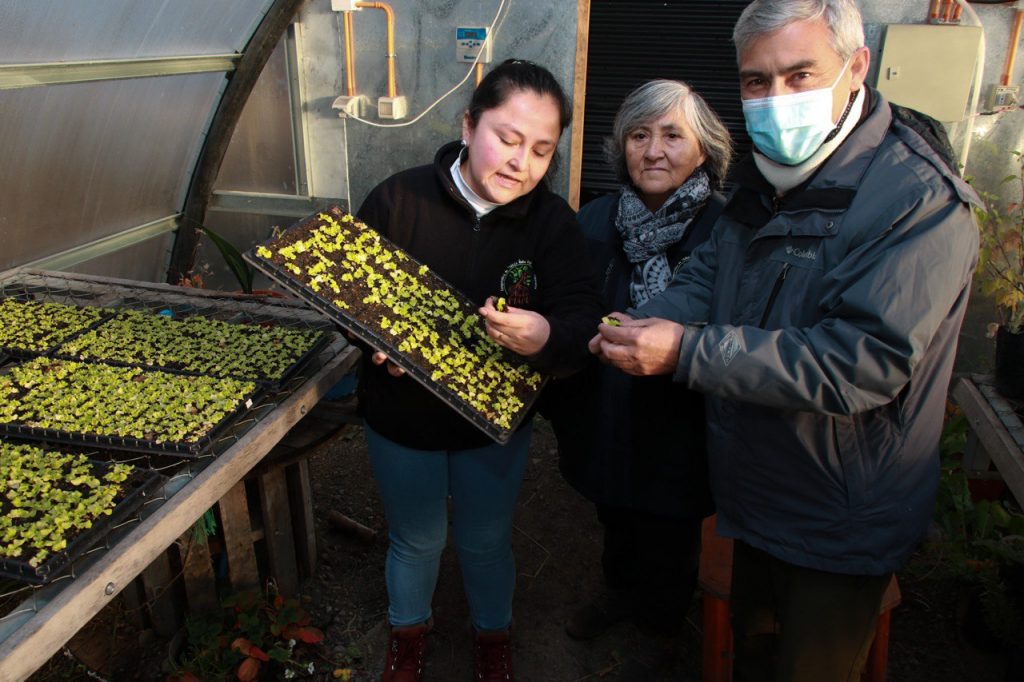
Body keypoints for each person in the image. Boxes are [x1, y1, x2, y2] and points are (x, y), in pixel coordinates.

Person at [589, 1, 981, 680]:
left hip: (837, 513)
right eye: (755, 82)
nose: (776, 101)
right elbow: (710, 277)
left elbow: (860, 363)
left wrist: (685, 351)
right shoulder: (766, 176)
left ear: (855, 68)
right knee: (755, 653)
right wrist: (644, 321)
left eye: (800, 76)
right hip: (756, 491)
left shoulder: (915, 200)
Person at [355, 59, 603, 682]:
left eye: (542, 150)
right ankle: (407, 632)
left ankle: (493, 636)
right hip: (401, 417)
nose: (521, 162)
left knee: (486, 539)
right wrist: (370, 340)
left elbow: (581, 318)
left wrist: (545, 335)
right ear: (468, 126)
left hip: (493, 423)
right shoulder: (397, 199)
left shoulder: (552, 226)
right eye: (508, 138)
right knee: (416, 538)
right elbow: (346, 291)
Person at [545, 79, 731, 666]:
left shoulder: (728, 229)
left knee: (673, 516)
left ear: (705, 149)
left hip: (685, 409)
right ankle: (618, 592)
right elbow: (570, 305)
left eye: (673, 135)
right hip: (606, 403)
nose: (653, 150)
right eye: (639, 135)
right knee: (614, 506)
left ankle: (665, 614)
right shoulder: (595, 218)